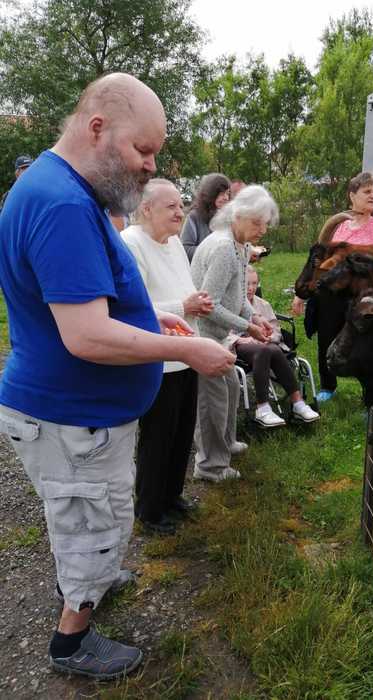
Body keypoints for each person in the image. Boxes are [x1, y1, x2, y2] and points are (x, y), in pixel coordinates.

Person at [0, 73, 234, 681]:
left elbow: (80, 303)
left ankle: (92, 579)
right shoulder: (62, 204)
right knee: (91, 524)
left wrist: (150, 317)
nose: (150, 165)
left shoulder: (61, 188)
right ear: (97, 128)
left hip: (77, 413)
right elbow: (86, 335)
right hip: (71, 416)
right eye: (142, 149)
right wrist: (187, 351)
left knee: (86, 517)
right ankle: (72, 640)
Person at [122, 178, 215, 534]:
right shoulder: (131, 243)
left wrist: (197, 302)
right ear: (146, 209)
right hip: (157, 357)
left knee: (181, 431)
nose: (181, 212)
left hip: (185, 350)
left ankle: (172, 495)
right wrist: (182, 306)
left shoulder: (174, 243)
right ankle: (149, 509)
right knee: (158, 435)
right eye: (172, 206)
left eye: (181, 205)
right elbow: (132, 307)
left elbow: (185, 288)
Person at [191, 184, 278, 481]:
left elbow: (238, 296)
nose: (262, 230)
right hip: (202, 335)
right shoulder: (224, 249)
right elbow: (208, 305)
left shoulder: (241, 247)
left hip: (219, 335)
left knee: (229, 387)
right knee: (212, 401)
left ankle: (226, 443)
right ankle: (210, 466)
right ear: (237, 215)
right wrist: (248, 326)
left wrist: (255, 315)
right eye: (257, 222)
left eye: (265, 223)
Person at [292, 171, 373, 402]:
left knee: (367, 344)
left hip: (364, 294)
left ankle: (371, 393)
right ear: (352, 195)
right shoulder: (339, 227)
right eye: (367, 191)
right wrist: (301, 296)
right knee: (326, 337)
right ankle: (328, 386)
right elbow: (321, 261)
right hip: (333, 294)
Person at [229, 266, 319, 427]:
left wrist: (270, 337)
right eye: (247, 284)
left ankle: (290, 405)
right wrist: (239, 340)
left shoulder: (263, 304)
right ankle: (279, 405)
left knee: (270, 348)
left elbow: (276, 332)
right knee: (268, 349)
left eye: (254, 283)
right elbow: (222, 332)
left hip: (265, 346)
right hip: (239, 346)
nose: (251, 288)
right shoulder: (230, 304)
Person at [180, 172, 230, 261]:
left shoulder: (228, 217)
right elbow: (185, 250)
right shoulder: (194, 217)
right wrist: (214, 252)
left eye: (227, 193)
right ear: (210, 193)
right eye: (222, 193)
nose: (226, 197)